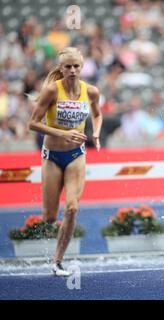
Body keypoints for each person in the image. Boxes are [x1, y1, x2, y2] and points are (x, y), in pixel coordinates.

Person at [28, 47, 102, 276]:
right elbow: (33, 124)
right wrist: (63, 133)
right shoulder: (52, 90)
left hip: (75, 156)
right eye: (67, 66)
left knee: (72, 208)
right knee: (50, 217)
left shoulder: (90, 91)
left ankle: (57, 261)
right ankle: (49, 237)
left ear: (82, 67)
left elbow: (97, 114)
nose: (72, 70)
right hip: (51, 156)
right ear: (61, 68)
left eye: (76, 66)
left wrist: (96, 134)